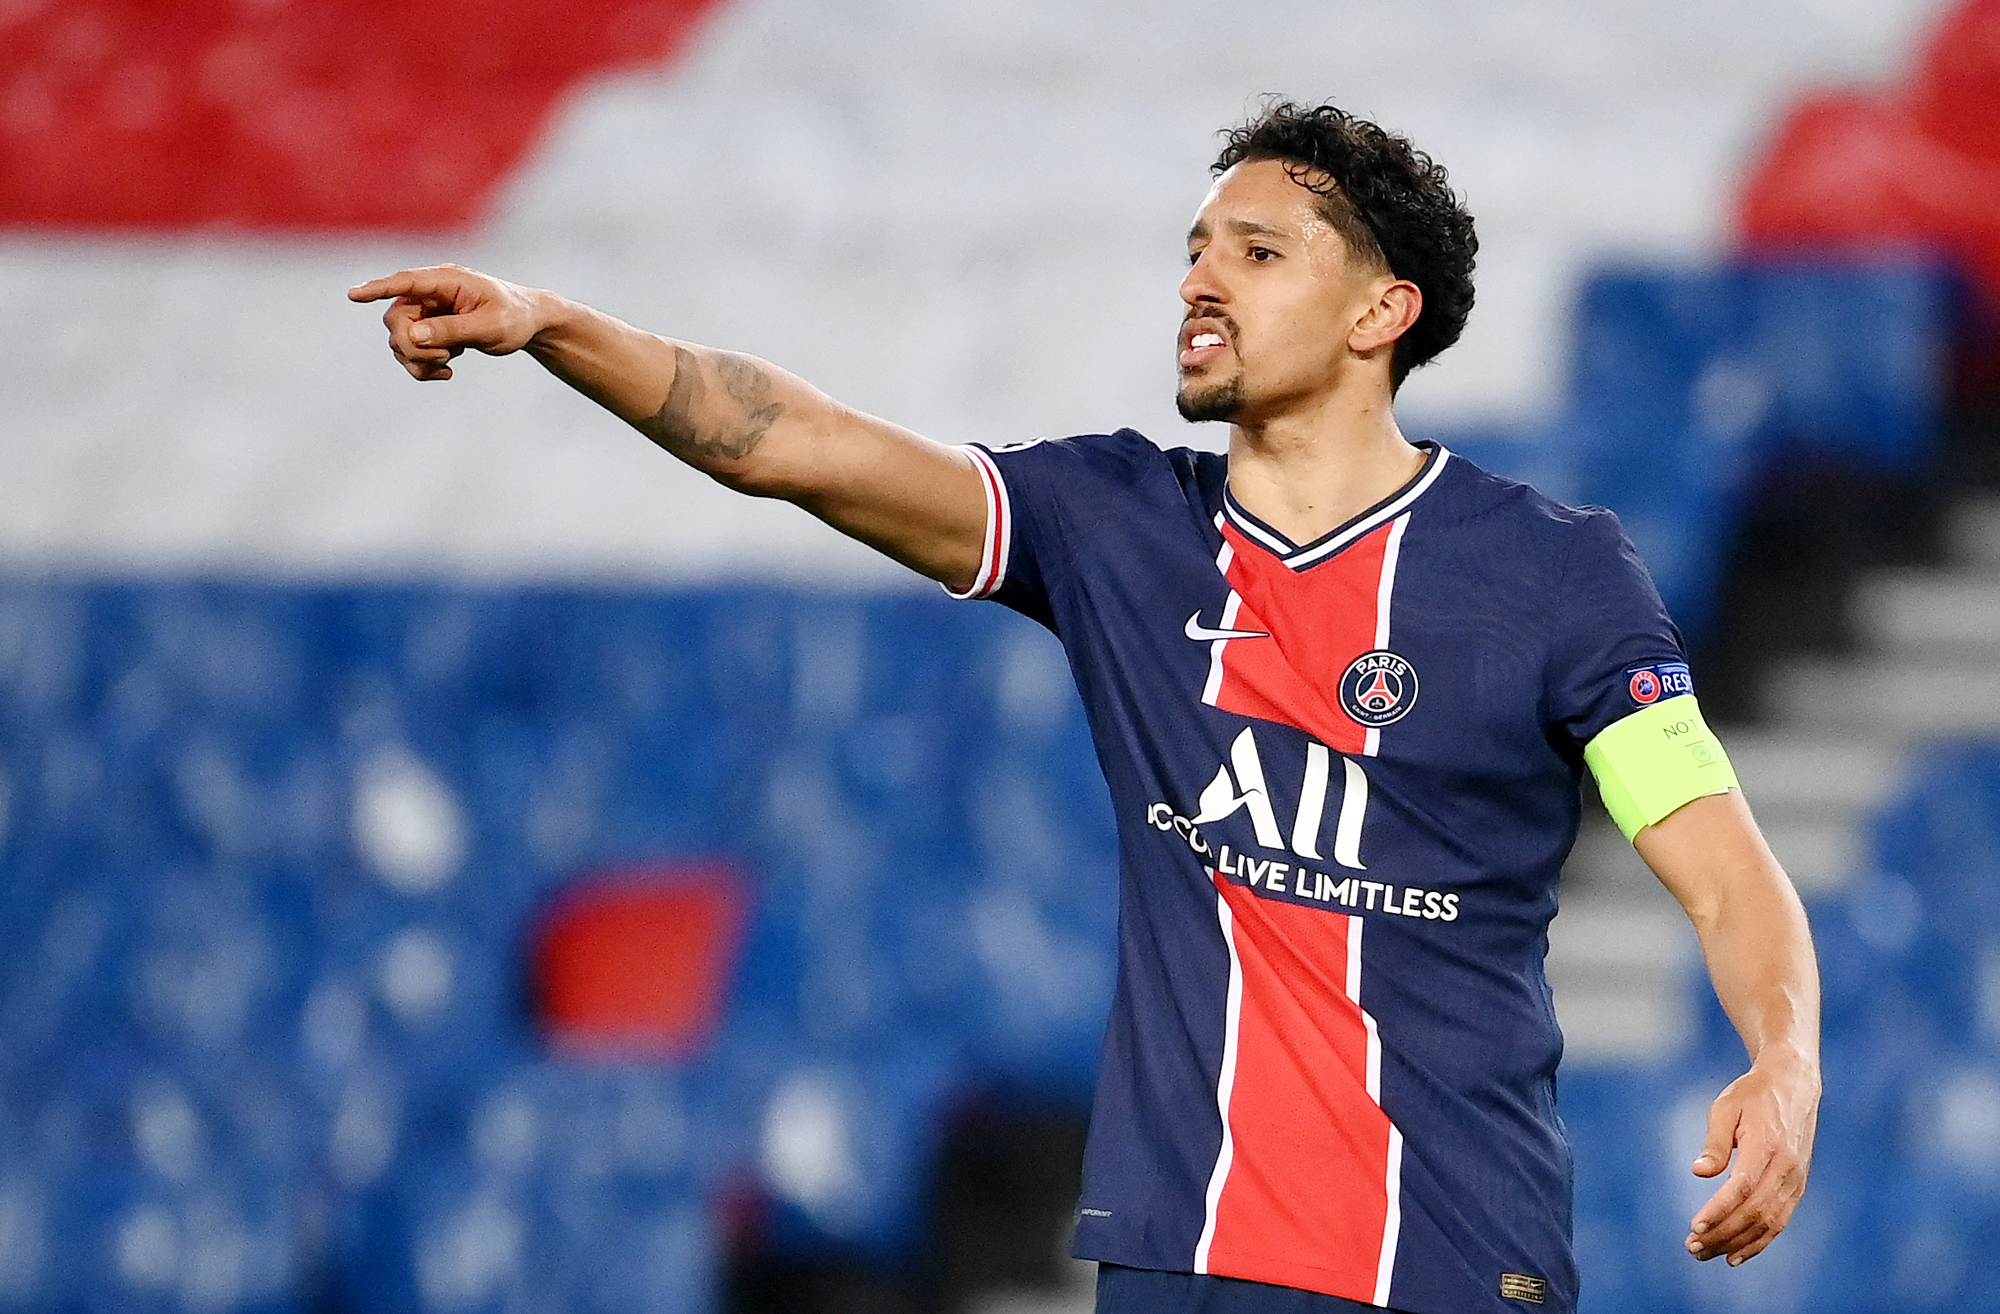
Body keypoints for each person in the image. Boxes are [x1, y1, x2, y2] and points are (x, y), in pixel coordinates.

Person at [350, 99, 1819, 1314]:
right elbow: (786, 442)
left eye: (1256, 249)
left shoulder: (1555, 574)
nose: (1201, 278)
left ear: (1384, 309)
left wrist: (1783, 1056)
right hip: (1172, 1257)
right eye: (1194, 248)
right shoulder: (1114, 519)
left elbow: (1720, 859)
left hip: (1433, 1255)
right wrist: (551, 323)